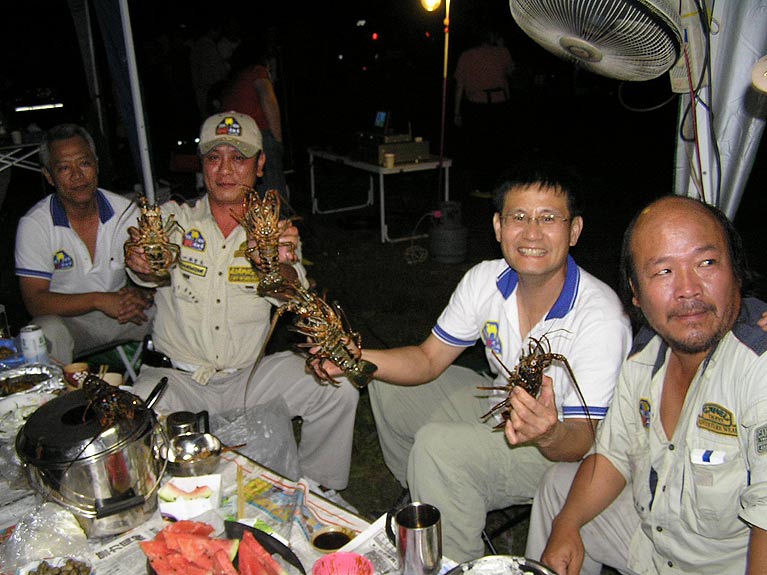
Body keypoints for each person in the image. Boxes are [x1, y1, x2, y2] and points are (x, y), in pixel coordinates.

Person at [313, 159, 632, 561]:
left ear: (574, 230)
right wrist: (355, 358)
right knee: (385, 383)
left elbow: (584, 440)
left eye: (548, 218)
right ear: (498, 226)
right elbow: (428, 359)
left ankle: (453, 560)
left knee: (438, 448)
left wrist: (548, 432)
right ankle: (432, 498)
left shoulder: (600, 317)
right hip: (501, 405)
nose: (532, 232)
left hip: (566, 449)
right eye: (519, 217)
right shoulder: (486, 280)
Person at [125, 111, 359, 499]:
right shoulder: (173, 218)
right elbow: (148, 267)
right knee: (130, 421)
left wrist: (276, 266)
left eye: (239, 158)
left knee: (338, 385)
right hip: (178, 379)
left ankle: (320, 491)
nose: (225, 170)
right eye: (214, 158)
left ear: (260, 164)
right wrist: (142, 261)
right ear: (202, 164)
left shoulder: (276, 228)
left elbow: (293, 295)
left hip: (249, 379)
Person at [531, 195, 767, 575]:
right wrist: (566, 525)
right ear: (636, 293)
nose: (688, 289)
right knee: (560, 488)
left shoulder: (757, 368)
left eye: (706, 263)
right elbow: (612, 456)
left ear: (735, 271)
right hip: (656, 542)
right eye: (663, 271)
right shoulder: (645, 358)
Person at [14, 124, 154, 365]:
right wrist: (98, 299)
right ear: (49, 176)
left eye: (84, 163)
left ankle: (180, 380)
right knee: (43, 332)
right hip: (70, 321)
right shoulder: (35, 224)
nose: (77, 175)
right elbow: (35, 301)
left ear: (96, 165)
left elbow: (157, 275)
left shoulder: (127, 213)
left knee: (177, 308)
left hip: (124, 312)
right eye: (64, 168)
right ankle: (58, 391)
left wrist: (142, 293)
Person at [221, 35, 287, 199]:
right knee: (272, 189)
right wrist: (278, 140)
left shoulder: (237, 78)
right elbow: (269, 101)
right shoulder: (258, 72)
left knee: (251, 188)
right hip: (258, 135)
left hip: (236, 138)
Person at [453, 28, 514, 199]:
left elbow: (460, 86)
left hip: (479, 105)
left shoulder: (468, 56)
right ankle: (495, 186)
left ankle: (483, 186)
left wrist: (456, 111)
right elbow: (511, 72)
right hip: (496, 103)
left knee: (480, 146)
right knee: (496, 146)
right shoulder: (501, 52)